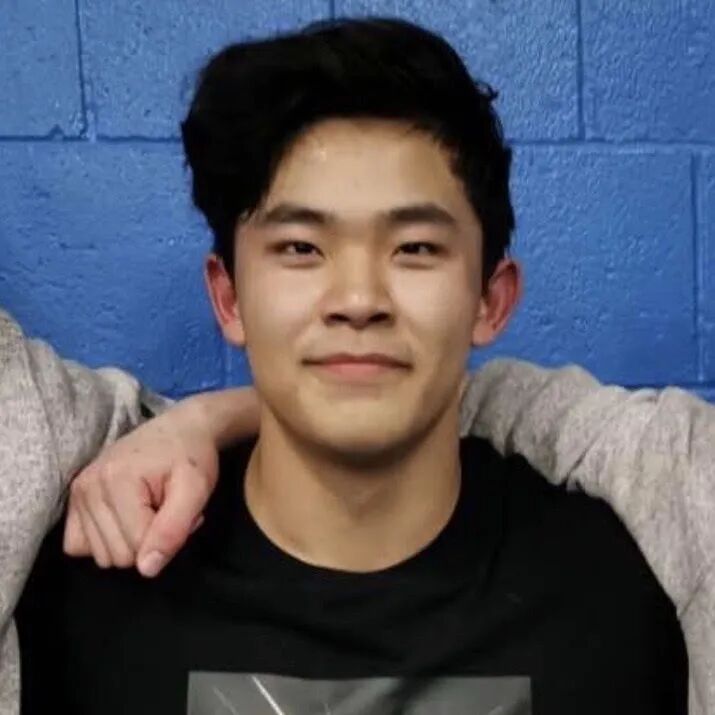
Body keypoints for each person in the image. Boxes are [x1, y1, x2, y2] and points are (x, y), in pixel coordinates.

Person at [12, 18, 693, 714]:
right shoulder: (91, 606)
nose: (359, 300)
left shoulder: (614, 602)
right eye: (301, 248)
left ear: (490, 300)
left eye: (416, 248)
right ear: (229, 297)